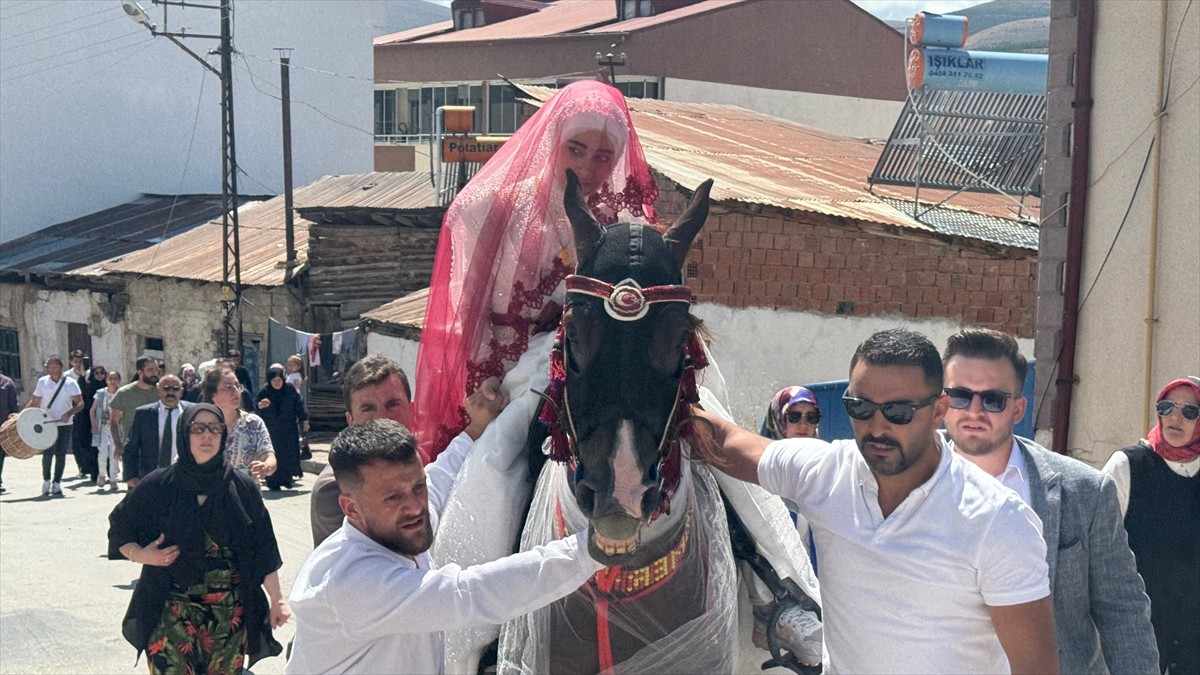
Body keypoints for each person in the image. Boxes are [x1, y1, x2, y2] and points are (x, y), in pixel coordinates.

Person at [695, 328, 1058, 673]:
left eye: (898, 412)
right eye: (861, 408)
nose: (878, 427)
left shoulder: (997, 520)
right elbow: (729, 444)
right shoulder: (825, 474)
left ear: (939, 410)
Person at [413, 79, 659, 459]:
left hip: (588, 393)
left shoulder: (623, 228)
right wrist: (488, 387)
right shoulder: (489, 208)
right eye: (575, 149)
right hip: (503, 388)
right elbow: (468, 312)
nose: (586, 167)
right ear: (553, 140)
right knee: (491, 482)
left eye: (602, 157)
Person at [286, 418, 601, 674]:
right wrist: (592, 548)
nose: (415, 506)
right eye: (394, 497)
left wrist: (473, 431)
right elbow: (470, 593)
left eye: (416, 487)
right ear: (350, 508)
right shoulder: (351, 581)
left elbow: (439, 478)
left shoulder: (396, 526)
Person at [942, 329, 1158, 674]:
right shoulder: (906, 482)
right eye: (960, 396)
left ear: (1018, 408)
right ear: (942, 402)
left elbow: (1121, 610)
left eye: (993, 399)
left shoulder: (1085, 492)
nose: (974, 410)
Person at [108, 403, 289, 673]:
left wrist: (277, 599)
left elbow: (263, 551)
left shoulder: (242, 488)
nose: (207, 435)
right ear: (185, 433)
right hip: (170, 608)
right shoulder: (159, 485)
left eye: (214, 429)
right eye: (198, 428)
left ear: (223, 435)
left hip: (229, 614)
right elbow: (120, 528)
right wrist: (142, 555)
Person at [309, 354, 505, 547]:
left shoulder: (421, 456)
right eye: (368, 408)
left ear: (411, 409)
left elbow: (439, 479)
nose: (382, 418)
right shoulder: (334, 488)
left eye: (393, 404)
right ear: (350, 420)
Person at [1103, 375, 1200, 675]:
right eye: (1168, 406)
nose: (1176, 417)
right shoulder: (1128, 465)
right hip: (1138, 626)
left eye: (1189, 411)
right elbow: (1098, 545)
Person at [200, 365, 277, 482]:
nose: (235, 391)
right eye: (228, 387)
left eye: (237, 386)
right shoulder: (200, 426)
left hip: (246, 495)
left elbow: (269, 457)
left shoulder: (253, 423)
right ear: (212, 394)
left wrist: (266, 467)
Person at [27, 356, 84, 497]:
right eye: (49, 366)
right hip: (46, 423)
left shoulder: (70, 383)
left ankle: (57, 482)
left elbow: (80, 403)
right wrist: (21, 416)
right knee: (47, 453)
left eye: (54, 366)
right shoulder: (42, 382)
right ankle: (46, 480)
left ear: (61, 367)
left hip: (65, 423)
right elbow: (35, 402)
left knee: (61, 453)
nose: (52, 369)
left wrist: (69, 413)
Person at [122, 375, 191, 488]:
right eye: (166, 388)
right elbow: (131, 446)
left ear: (181, 391)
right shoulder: (143, 414)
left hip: (184, 477)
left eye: (175, 389)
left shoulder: (192, 412)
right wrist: (130, 475)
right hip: (150, 477)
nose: (171, 392)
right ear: (158, 390)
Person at [255, 365, 309, 491]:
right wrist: (260, 405)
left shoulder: (290, 389)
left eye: (279, 380)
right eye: (274, 381)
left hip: (289, 428)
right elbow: (256, 404)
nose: (277, 383)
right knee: (275, 454)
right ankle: (273, 481)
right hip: (272, 429)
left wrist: (304, 419)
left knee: (289, 454)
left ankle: (287, 478)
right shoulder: (265, 391)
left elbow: (298, 404)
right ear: (270, 381)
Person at [109, 356, 163, 459]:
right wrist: (118, 445)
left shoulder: (161, 392)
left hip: (157, 447)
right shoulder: (124, 393)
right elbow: (114, 422)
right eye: (150, 370)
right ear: (140, 372)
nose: (155, 373)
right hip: (132, 448)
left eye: (157, 370)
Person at [90, 369, 122, 491]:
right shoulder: (100, 394)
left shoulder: (121, 393)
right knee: (102, 453)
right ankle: (102, 475)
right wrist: (94, 425)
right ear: (106, 380)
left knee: (114, 453)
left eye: (115, 379)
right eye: (110, 379)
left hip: (116, 427)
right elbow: (92, 410)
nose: (113, 381)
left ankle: (113, 478)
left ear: (118, 380)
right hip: (102, 427)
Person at [0, 363, 19, 495]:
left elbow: (14, 404)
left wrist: (14, 421)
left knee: (0, 454)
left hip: (2, 425)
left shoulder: (7, 383)